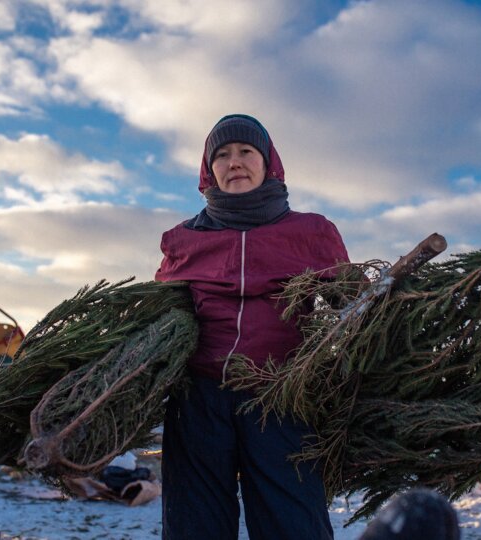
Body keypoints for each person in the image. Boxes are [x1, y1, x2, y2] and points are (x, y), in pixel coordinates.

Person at [155, 114, 349, 539]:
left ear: (268, 163)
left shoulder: (312, 232)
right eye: (221, 155)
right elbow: (163, 315)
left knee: (294, 525)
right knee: (194, 527)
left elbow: (349, 308)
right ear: (209, 170)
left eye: (246, 151)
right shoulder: (182, 239)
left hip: (281, 397)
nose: (234, 162)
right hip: (199, 401)